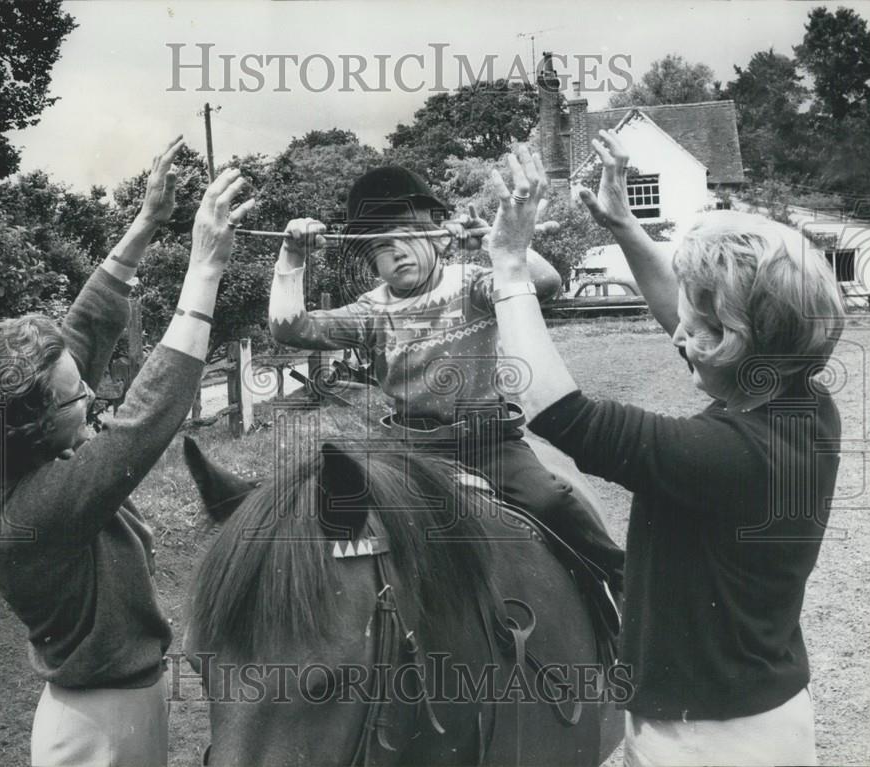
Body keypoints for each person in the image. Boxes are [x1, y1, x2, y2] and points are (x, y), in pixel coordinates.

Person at [486, 136, 844, 766]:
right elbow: (686, 318)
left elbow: (559, 413)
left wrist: (511, 269)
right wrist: (625, 225)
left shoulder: (725, 453)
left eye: (698, 331)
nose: (677, 336)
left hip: (709, 740)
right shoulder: (800, 403)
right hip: (752, 715)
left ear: (737, 343)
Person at [0, 137, 255, 767]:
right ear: (30, 429)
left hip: (113, 703)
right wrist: (205, 270)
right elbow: (142, 423)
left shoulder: (6, 451)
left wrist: (146, 223)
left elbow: (78, 333)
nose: (90, 391)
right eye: (77, 396)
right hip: (101, 725)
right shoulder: (29, 513)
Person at [267, 164, 625, 591]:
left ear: (439, 238)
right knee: (352, 533)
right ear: (368, 260)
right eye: (381, 245)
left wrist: (502, 246)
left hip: (488, 444)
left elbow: (546, 283)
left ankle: (619, 583)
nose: (398, 252)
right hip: (408, 453)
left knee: (549, 500)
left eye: (410, 236)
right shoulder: (369, 313)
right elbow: (289, 328)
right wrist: (293, 255)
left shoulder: (473, 285)